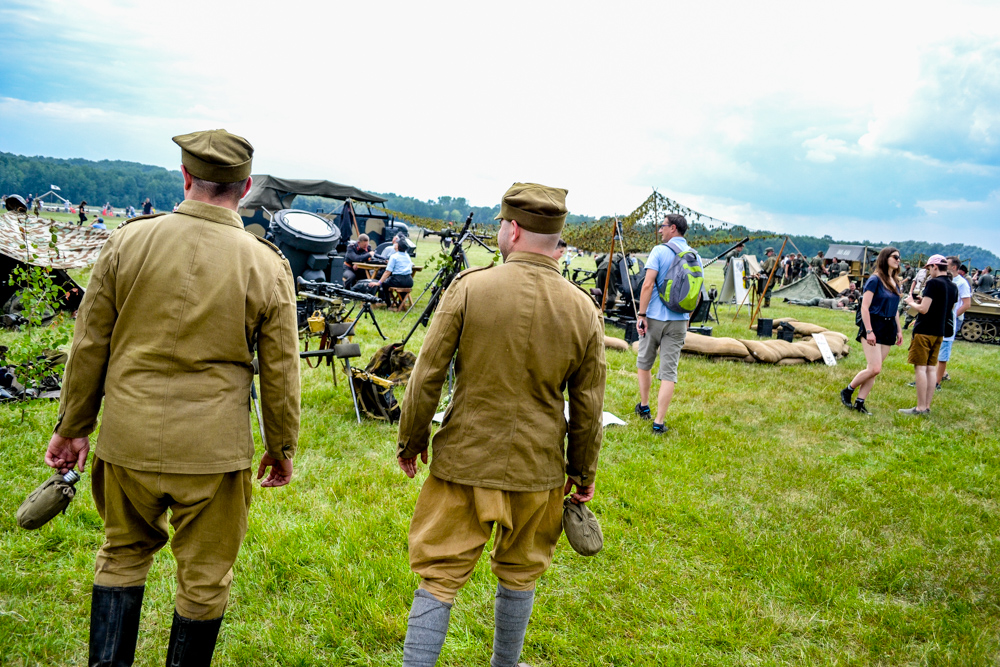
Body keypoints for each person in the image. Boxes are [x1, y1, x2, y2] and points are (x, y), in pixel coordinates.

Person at [43, 129, 301, 664]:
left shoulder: (128, 241)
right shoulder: (266, 264)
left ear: (185, 177)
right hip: (212, 451)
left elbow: (89, 343)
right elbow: (279, 371)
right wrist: (280, 445)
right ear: (246, 187)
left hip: (127, 439)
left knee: (120, 555)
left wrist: (73, 427)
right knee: (205, 580)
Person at [395, 182, 606, 667]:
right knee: (520, 573)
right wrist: (582, 473)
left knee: (439, 576)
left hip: (463, 465)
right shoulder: (583, 309)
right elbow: (589, 408)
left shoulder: (470, 287)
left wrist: (411, 439)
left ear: (512, 229)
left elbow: (426, 375)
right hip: (538, 470)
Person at [635, 213, 703, 434]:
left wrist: (641, 315)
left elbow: (647, 285)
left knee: (645, 362)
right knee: (668, 372)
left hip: (653, 317)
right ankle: (659, 422)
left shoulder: (659, 251)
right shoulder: (695, 256)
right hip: (679, 321)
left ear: (673, 228)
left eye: (662, 226)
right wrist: (687, 318)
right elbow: (697, 294)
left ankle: (644, 407)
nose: (660, 230)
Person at [840, 247, 903, 414]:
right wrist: (869, 330)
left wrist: (899, 330)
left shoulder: (895, 281)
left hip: (889, 326)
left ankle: (860, 402)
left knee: (875, 371)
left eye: (899, 258)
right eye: (895, 257)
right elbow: (865, 307)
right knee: (874, 368)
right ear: (885, 258)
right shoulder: (875, 280)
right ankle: (848, 389)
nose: (898, 260)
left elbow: (895, 308)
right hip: (874, 325)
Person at [899, 254, 958, 416]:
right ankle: (927, 407)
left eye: (929, 268)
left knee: (920, 368)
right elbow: (945, 308)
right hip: (939, 332)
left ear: (935, 267)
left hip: (924, 331)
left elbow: (924, 309)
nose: (928, 272)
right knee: (931, 369)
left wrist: (911, 302)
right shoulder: (953, 286)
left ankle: (919, 407)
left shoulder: (933, 283)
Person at [936, 256, 972, 386]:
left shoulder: (961, 283)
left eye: (947, 264)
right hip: (938, 321)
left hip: (948, 323)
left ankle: (937, 382)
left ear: (954, 267)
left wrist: (951, 316)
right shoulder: (945, 280)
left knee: (942, 353)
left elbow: (967, 304)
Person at [377, 234, 414, 303]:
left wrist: (379, 282)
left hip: (398, 280)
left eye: (396, 243)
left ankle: (388, 303)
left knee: (384, 284)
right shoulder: (407, 256)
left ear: (398, 246)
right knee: (403, 286)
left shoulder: (394, 256)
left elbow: (388, 272)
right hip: (409, 281)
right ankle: (401, 303)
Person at [783, 296, 851, 310]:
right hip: (817, 300)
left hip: (818, 303)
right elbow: (835, 308)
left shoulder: (835, 302)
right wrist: (843, 308)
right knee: (807, 304)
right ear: (841, 302)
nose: (841, 305)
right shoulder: (834, 301)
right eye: (842, 304)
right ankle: (792, 302)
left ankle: (790, 300)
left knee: (804, 301)